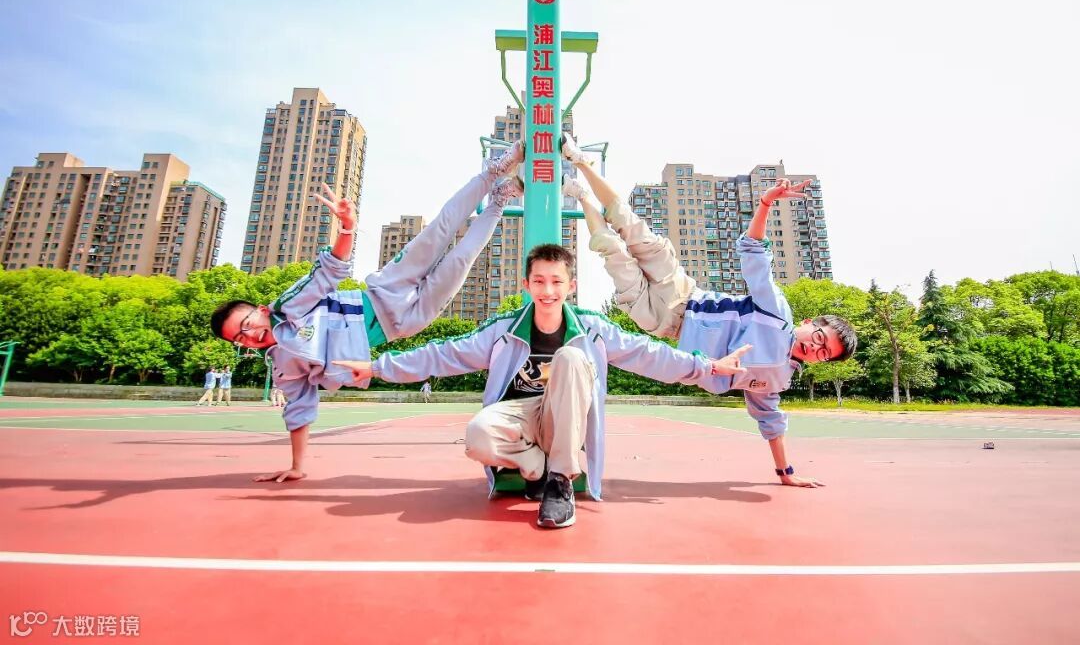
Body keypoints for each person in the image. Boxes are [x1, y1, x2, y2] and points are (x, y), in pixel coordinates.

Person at [333, 244, 753, 529]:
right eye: (539, 281)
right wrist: (377, 368)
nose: (548, 290)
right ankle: (535, 468)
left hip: (563, 418)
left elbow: (650, 354)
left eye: (556, 281)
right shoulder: (502, 329)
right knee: (477, 436)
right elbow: (442, 354)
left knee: (570, 357)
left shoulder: (594, 328)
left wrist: (707, 365)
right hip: (521, 418)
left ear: (571, 286)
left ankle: (560, 481)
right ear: (527, 285)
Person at [209, 145, 525, 482]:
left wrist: (347, 228)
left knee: (440, 229)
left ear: (260, 311)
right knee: (462, 258)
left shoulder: (289, 306)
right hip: (406, 323)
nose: (249, 336)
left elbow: (329, 270)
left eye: (246, 324)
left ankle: (492, 171)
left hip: (385, 290)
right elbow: (299, 409)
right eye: (239, 338)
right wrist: (297, 466)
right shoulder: (284, 367)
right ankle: (499, 200)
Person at [560, 134, 858, 488]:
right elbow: (753, 251)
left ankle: (581, 196)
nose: (814, 348)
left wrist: (786, 473)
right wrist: (765, 203)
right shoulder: (777, 313)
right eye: (819, 338)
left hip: (662, 324)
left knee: (611, 251)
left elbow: (770, 421)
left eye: (824, 354)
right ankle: (580, 161)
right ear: (809, 323)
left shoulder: (777, 378)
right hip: (683, 292)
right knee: (629, 224)